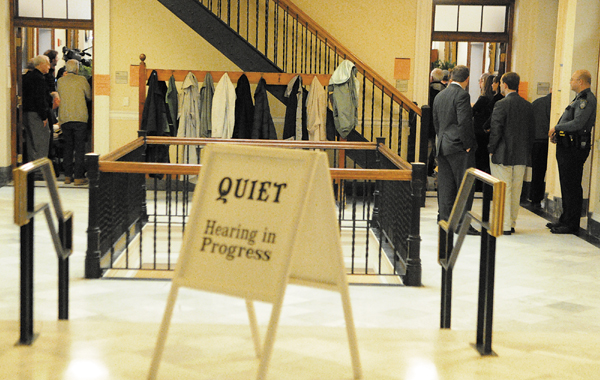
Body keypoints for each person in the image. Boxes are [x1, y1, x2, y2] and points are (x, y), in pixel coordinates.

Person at [548, 70, 597, 234]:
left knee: (572, 186)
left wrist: (557, 128)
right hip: (567, 147)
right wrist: (558, 135)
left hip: (574, 149)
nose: (570, 82)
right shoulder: (579, 98)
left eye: (573, 79)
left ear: (581, 82)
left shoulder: (587, 100)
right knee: (566, 184)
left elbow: (578, 123)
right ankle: (565, 219)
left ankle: (571, 223)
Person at [432, 65, 479, 235]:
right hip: (459, 147)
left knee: (445, 186)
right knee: (464, 185)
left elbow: (436, 122)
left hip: (443, 145)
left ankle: (444, 219)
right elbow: (464, 121)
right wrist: (467, 144)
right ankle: (461, 224)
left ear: (451, 77)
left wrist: (442, 139)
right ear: (467, 79)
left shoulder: (440, 95)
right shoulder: (462, 95)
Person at [488, 72, 535, 235]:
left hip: (503, 153)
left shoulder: (501, 104)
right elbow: (531, 132)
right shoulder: (528, 105)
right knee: (516, 189)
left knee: (503, 188)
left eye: (501, 83)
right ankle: (512, 222)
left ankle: (504, 224)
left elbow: (496, 130)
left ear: (505, 85)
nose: (500, 85)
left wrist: (491, 149)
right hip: (521, 154)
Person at [57, 59, 91, 186]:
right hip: (80, 118)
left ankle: (67, 176)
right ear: (77, 68)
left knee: (68, 148)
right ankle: (78, 177)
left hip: (65, 117)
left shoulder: (60, 81)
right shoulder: (82, 80)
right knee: (80, 148)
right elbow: (89, 96)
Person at [22, 55, 52, 161]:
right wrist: (44, 116)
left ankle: (32, 167)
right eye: (47, 64)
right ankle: (41, 168)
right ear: (41, 64)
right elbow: (39, 98)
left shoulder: (26, 77)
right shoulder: (39, 78)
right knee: (41, 140)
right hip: (36, 114)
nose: (49, 66)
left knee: (31, 140)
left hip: (26, 112)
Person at [529, 91, 552, 208]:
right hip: (547, 140)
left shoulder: (537, 102)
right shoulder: (554, 104)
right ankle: (538, 196)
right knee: (548, 170)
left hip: (536, 140)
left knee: (537, 171)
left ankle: (535, 197)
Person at [472, 74, 495, 177]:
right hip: (489, 132)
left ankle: (478, 182)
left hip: (479, 132)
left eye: (480, 81)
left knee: (479, 158)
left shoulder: (483, 99)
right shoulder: (494, 99)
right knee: (485, 158)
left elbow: (472, 112)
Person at [427, 68, 447, 176]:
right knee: (438, 149)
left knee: (429, 148)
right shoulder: (445, 90)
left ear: (431, 77)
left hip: (429, 123)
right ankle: (437, 172)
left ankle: (428, 168)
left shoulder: (428, 90)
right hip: (442, 124)